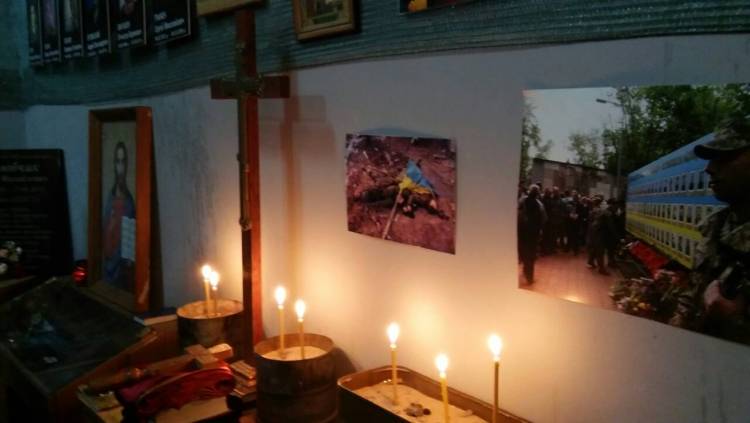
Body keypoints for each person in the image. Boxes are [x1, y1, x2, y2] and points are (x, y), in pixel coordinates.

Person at [670, 117, 750, 342]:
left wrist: (734, 321)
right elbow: (692, 296)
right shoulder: (716, 225)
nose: (710, 169)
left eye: (726, 157)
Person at [103, 141, 136, 290]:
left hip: (121, 268)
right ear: (114, 164)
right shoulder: (110, 196)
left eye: (123, 162)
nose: (120, 167)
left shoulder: (129, 201)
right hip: (107, 263)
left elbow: (130, 240)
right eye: (118, 161)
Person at [518, 185, 547, 284]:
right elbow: (544, 219)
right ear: (537, 193)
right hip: (533, 233)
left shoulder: (522, 201)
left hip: (523, 232)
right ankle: (529, 277)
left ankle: (525, 270)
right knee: (531, 255)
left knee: (524, 252)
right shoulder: (539, 204)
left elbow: (518, 215)